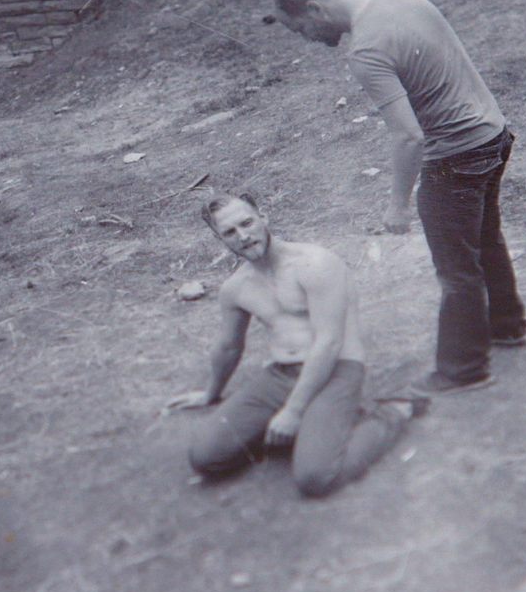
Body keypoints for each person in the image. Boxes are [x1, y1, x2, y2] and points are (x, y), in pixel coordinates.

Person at [270, 0, 526, 395]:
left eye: (301, 29)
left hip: (456, 154)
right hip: (493, 134)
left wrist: (398, 205)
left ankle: (463, 370)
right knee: (485, 237)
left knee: (456, 269)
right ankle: (507, 325)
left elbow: (409, 136)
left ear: (315, 9)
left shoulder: (365, 50)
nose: (307, 39)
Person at [167, 193, 427, 499]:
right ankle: (302, 428)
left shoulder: (315, 264)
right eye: (229, 232)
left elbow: (329, 342)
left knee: (315, 477)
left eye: (246, 223)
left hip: (336, 370)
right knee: (205, 457)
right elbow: (228, 347)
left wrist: (293, 411)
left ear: (263, 217)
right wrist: (211, 392)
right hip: (282, 375)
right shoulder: (236, 288)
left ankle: (391, 412)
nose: (242, 236)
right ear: (219, 238)